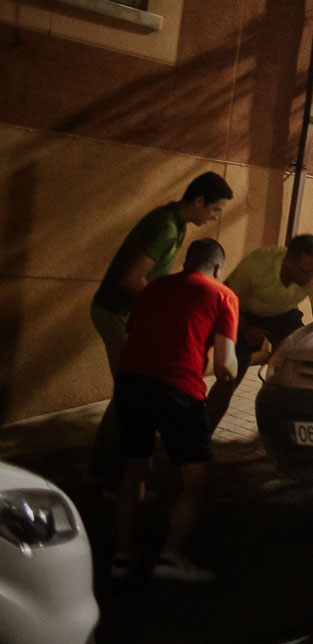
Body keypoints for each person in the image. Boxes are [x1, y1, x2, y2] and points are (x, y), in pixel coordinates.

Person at [89, 172, 234, 490]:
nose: (214, 217)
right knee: (130, 393)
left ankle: (102, 469)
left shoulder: (175, 223)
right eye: (215, 209)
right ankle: (113, 481)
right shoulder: (166, 226)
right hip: (116, 313)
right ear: (199, 201)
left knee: (128, 392)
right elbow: (132, 280)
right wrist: (162, 309)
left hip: (124, 312)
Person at [110, 238, 239, 583]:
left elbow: (133, 330)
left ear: (188, 262)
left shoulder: (153, 289)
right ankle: (170, 557)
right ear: (216, 269)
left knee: (135, 468)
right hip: (179, 388)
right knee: (194, 479)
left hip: (131, 381)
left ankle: (121, 557)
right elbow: (226, 365)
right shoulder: (222, 295)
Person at [204, 234, 313, 428]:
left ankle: (290, 431)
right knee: (230, 376)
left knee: (298, 370)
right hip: (243, 312)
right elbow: (225, 299)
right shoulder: (259, 263)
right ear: (290, 263)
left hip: (284, 315)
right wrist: (245, 328)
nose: (312, 277)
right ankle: (202, 433)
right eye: (306, 271)